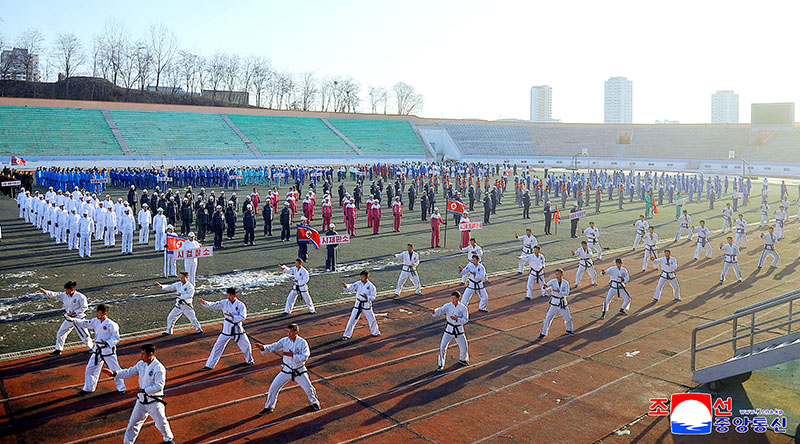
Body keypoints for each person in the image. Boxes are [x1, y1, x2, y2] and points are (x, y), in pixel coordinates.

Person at [103, 344, 175, 444]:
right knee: (133, 424)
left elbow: (159, 386)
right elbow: (129, 372)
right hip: (141, 401)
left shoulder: (159, 368)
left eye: (143, 354)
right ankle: (127, 443)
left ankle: (168, 439)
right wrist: (114, 374)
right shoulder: (141, 364)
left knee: (161, 423)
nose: (141, 356)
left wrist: (143, 390)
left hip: (154, 402)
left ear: (150, 354)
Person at [258, 323, 320, 415]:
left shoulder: (303, 343)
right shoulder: (285, 341)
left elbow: (305, 357)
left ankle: (314, 402)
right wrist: (264, 347)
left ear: (296, 332)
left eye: (291, 332)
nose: (289, 334)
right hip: (286, 370)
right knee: (273, 388)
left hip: (299, 370)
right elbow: (274, 346)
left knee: (308, 388)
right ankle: (269, 406)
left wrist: (293, 355)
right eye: (288, 332)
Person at [65, 304, 127, 394]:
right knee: (90, 368)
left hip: (108, 350)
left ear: (104, 313)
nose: (97, 314)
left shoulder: (112, 324)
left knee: (115, 369)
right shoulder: (96, 321)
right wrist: (73, 320)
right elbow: (85, 323)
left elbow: (116, 338)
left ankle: (121, 388)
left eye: (99, 312)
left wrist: (106, 342)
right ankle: (88, 388)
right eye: (97, 312)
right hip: (97, 350)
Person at [199, 287, 254, 370]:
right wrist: (205, 303)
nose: (229, 297)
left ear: (235, 295)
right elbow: (215, 305)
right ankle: (209, 365)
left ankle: (249, 360)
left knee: (246, 345)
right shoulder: (224, 302)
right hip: (227, 328)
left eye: (231, 295)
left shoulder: (240, 305)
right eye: (228, 295)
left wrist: (234, 317)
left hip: (237, 328)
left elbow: (243, 317)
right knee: (217, 346)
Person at [39, 281, 93, 355]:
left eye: (66, 289)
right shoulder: (64, 295)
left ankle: (92, 348)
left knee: (84, 334)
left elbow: (84, 307)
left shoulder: (80, 297)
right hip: (68, 318)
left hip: (78, 318)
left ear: (72, 289)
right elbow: (56, 295)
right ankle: (58, 350)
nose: (65, 291)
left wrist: (75, 312)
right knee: (61, 333)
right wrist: (46, 292)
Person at [430, 291, 470, 371]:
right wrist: (434, 311)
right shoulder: (448, 306)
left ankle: (463, 359)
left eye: (454, 298)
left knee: (464, 347)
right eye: (451, 298)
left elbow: (466, 320)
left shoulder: (463, 308)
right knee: (442, 347)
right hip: (449, 329)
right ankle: (441, 364)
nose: (452, 300)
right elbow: (441, 310)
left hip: (459, 329)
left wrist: (457, 319)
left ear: (459, 298)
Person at [341, 270, 380, 340]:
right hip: (358, 304)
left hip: (366, 304)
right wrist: (346, 286)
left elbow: (373, 297)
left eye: (363, 277)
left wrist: (367, 297)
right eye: (361, 277)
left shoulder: (371, 286)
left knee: (372, 319)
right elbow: (352, 287)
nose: (361, 278)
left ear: (367, 277)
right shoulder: (358, 283)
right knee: (352, 319)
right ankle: (347, 335)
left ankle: (375, 332)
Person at [536, 269, 574, 340]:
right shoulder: (553, 281)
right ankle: (543, 333)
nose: (557, 276)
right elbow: (547, 286)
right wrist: (545, 287)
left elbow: (567, 293)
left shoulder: (566, 283)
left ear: (562, 275)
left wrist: (560, 291)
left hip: (563, 303)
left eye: (558, 274)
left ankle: (569, 329)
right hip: (554, 303)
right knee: (548, 318)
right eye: (556, 274)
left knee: (568, 318)